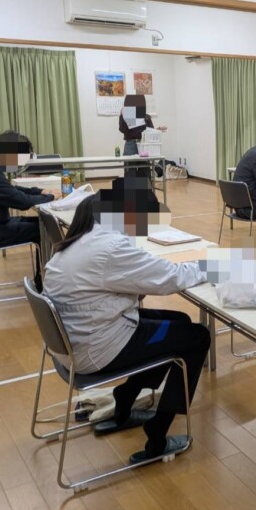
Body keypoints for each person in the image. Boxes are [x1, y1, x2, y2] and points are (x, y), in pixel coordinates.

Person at [44, 193, 210, 463]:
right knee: (197, 337)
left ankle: (125, 398)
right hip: (98, 348)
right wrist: (213, 267)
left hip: (79, 341)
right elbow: (172, 278)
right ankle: (158, 432)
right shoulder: (109, 248)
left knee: (179, 322)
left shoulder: (77, 243)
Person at [0, 131, 59, 285]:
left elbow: (12, 190)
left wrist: (39, 191)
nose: (23, 163)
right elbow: (22, 202)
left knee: (43, 223)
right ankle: (44, 282)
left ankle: (43, 277)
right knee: (44, 228)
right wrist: (51, 197)